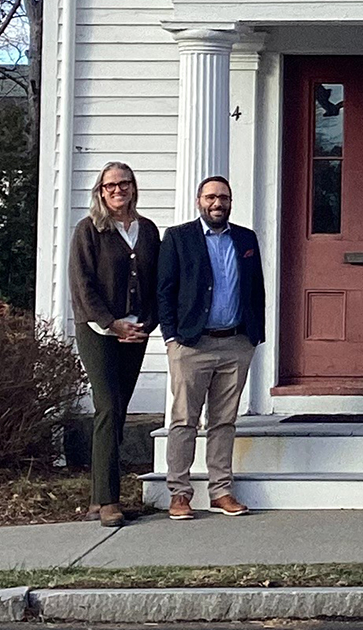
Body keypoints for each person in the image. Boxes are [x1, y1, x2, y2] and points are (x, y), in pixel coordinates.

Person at [157, 175, 265, 521]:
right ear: (198, 201)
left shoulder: (245, 238)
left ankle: (220, 490)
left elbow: (256, 288)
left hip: (235, 342)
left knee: (224, 421)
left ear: (231, 202)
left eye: (224, 197)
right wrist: (172, 337)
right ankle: (180, 492)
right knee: (184, 420)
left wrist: (254, 335)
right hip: (192, 344)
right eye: (211, 197)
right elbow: (165, 290)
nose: (217, 203)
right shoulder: (178, 238)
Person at [69, 161, 160, 528]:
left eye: (123, 184)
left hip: (135, 333)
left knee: (118, 410)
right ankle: (109, 501)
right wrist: (112, 323)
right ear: (100, 192)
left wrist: (146, 323)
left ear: (133, 187)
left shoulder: (148, 230)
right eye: (110, 186)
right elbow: (83, 285)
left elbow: (156, 283)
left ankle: (96, 498)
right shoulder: (89, 230)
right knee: (107, 407)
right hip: (98, 332)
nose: (117, 190)